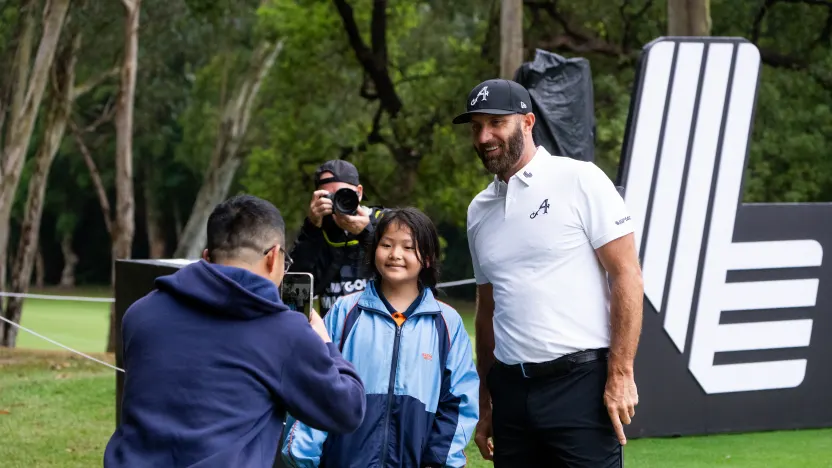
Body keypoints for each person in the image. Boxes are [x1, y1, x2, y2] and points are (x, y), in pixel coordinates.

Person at [454, 79, 644, 466]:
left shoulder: (580, 178)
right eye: (476, 127)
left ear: (527, 122)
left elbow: (626, 274)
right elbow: (488, 309)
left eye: (495, 123)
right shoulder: (479, 209)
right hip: (510, 393)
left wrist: (621, 372)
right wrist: (487, 401)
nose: (484, 136)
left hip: (580, 385)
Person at [104, 194, 367, 468]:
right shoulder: (285, 332)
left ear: (206, 257)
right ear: (273, 257)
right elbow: (347, 410)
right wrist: (323, 341)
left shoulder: (140, 314)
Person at [280, 207, 479, 468]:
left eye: (408, 247)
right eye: (386, 244)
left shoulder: (447, 323)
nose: (395, 254)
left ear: (428, 258)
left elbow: (458, 402)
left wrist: (439, 462)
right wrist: (304, 456)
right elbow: (317, 383)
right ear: (374, 250)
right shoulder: (344, 311)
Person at [290, 160, 385, 316]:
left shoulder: (385, 223)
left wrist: (368, 233)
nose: (337, 202)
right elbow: (294, 297)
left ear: (359, 192)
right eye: (330, 197)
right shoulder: (317, 234)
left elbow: (408, 278)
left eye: (343, 194)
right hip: (331, 334)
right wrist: (311, 229)